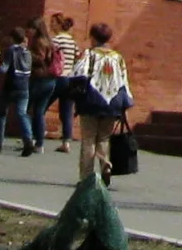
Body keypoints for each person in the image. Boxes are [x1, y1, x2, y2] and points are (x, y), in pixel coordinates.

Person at [74, 22, 129, 181]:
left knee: (89, 138)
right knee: (104, 137)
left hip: (91, 100)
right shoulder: (118, 58)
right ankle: (105, 163)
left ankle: (87, 177)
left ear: (92, 37)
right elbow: (123, 81)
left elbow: (78, 74)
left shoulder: (88, 54)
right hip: (112, 102)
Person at [0, 24, 39, 154]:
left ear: (12, 38)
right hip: (24, 86)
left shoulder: (11, 51)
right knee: (22, 113)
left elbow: (4, 68)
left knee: (1, 113)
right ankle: (28, 140)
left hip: (11, 86)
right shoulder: (28, 53)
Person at [23, 18, 61, 154]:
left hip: (39, 78)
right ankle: (39, 143)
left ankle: (29, 140)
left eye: (30, 28)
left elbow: (40, 58)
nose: (28, 31)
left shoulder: (39, 42)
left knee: (26, 110)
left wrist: (27, 52)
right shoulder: (49, 41)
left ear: (36, 29)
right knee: (39, 112)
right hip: (50, 80)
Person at [48, 14, 81, 148]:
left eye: (53, 22)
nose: (51, 25)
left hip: (58, 77)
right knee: (67, 111)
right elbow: (78, 57)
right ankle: (66, 142)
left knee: (42, 106)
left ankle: (33, 137)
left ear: (58, 24)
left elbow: (50, 56)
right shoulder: (72, 41)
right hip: (70, 78)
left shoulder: (56, 39)